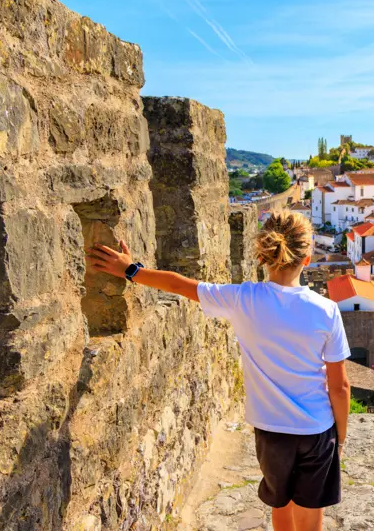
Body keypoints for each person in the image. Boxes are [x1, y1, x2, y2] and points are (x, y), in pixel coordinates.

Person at [87, 210, 350, 531]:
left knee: (279, 502)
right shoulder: (326, 310)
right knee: (310, 512)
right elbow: (340, 387)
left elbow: (180, 284)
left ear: (263, 255)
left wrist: (130, 269)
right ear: (307, 259)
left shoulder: (243, 299)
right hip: (316, 429)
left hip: (271, 431)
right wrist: (341, 435)